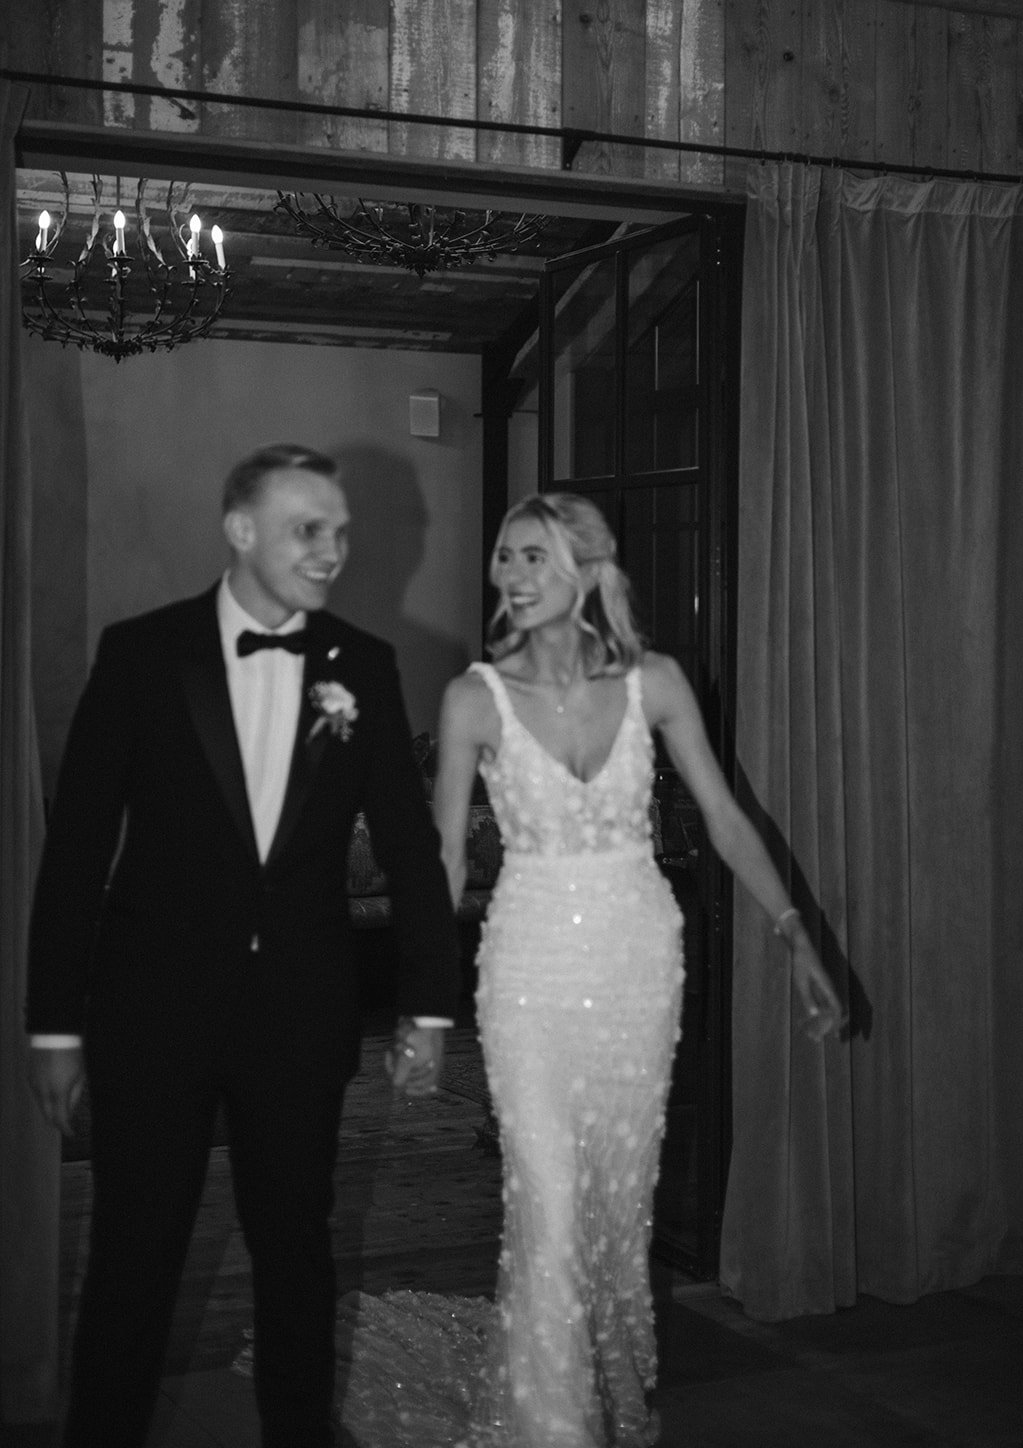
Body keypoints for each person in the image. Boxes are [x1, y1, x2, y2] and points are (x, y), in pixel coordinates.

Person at [25, 443, 460, 1448]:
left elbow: (408, 845)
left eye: (342, 532)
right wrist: (53, 1023)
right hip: (152, 1013)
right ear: (241, 530)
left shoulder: (367, 667)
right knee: (134, 1262)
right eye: (310, 529)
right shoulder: (141, 653)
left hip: (299, 1017)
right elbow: (79, 849)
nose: (333, 550)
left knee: (296, 1260)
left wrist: (429, 1007)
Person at [423, 491, 842, 1447]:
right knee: (548, 1198)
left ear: (583, 569)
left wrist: (795, 935)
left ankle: (606, 1380)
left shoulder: (654, 682)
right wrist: (414, 997)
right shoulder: (470, 700)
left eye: (532, 556)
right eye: (503, 558)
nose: (511, 575)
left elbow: (726, 819)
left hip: (636, 963)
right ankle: (552, 1428)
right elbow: (443, 863)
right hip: (526, 965)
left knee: (615, 1192)